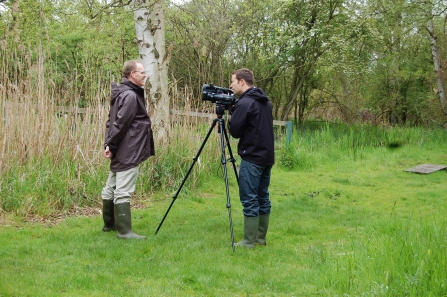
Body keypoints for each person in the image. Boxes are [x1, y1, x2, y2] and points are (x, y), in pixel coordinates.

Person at [101, 60, 155, 239]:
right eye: (142, 72)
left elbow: (111, 122)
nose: (144, 75)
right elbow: (120, 124)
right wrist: (112, 145)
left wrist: (108, 145)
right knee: (123, 189)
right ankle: (125, 231)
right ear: (132, 74)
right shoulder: (130, 96)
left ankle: (110, 225)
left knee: (111, 186)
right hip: (129, 149)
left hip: (121, 147)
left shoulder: (120, 93)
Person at [229, 68, 274, 248]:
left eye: (232, 81)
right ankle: (260, 239)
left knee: (249, 198)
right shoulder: (264, 101)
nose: (230, 86)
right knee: (263, 197)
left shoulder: (245, 102)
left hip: (252, 157)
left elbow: (235, 132)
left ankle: (248, 241)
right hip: (267, 157)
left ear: (242, 81)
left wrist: (231, 114)